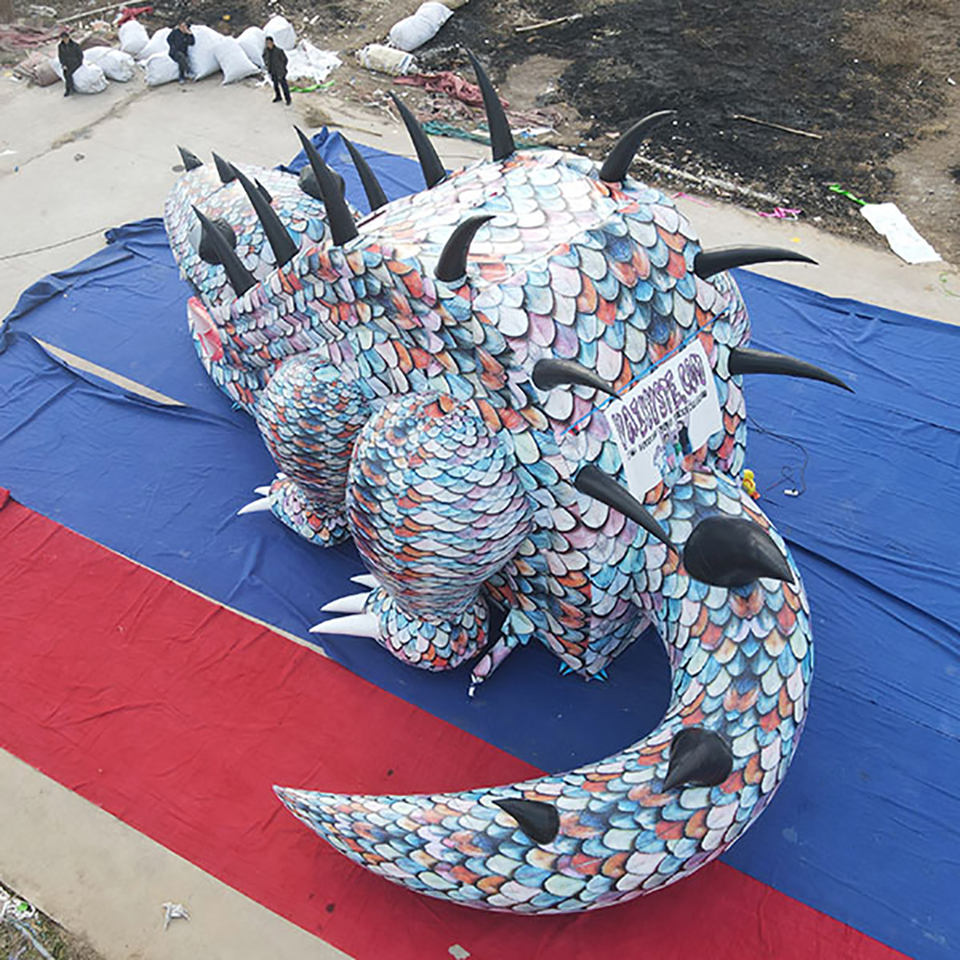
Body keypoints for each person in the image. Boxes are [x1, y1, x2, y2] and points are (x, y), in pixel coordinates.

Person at [264, 36, 290, 106]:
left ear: (272, 42)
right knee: (275, 85)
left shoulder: (278, 51)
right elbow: (264, 58)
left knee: (284, 86)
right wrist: (267, 66)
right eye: (267, 43)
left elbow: (285, 60)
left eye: (269, 43)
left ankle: (288, 99)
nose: (268, 44)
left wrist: (282, 67)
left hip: (280, 71)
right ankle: (278, 96)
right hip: (272, 71)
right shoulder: (266, 51)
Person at [57, 30, 83, 97]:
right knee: (65, 73)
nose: (65, 40)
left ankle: (69, 89)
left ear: (68, 37)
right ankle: (69, 88)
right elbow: (61, 56)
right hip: (67, 63)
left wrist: (78, 62)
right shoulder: (60, 46)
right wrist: (63, 64)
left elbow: (80, 55)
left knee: (68, 74)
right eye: (63, 38)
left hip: (75, 62)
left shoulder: (75, 45)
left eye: (66, 38)